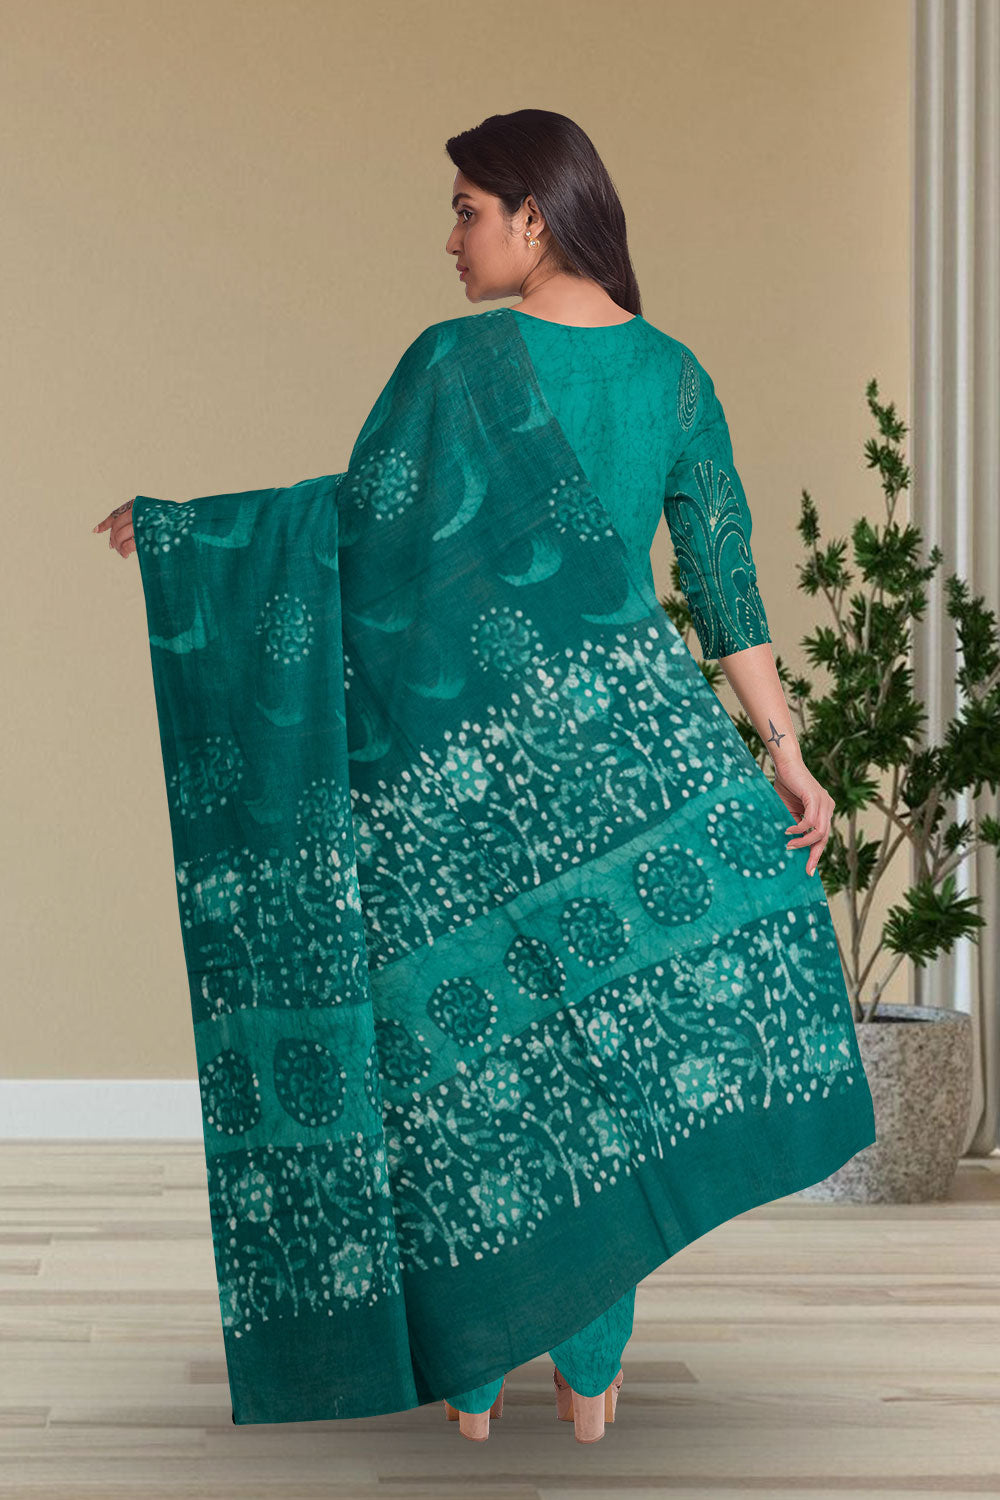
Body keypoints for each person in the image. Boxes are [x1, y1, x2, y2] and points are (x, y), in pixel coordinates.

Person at [93, 110, 876, 1444]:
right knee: (612, 1071)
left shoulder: (456, 364)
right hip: (627, 783)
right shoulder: (675, 377)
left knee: (469, 1065)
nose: (450, 239)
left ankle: (472, 1371)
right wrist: (787, 757)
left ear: (536, 215)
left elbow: (355, 536)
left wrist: (196, 537)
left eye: (466, 210)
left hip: (464, 797)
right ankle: (591, 1366)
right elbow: (724, 584)